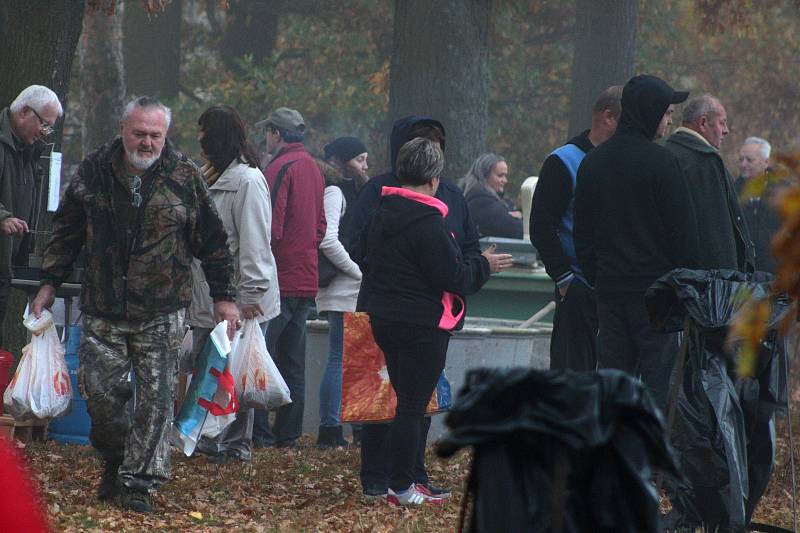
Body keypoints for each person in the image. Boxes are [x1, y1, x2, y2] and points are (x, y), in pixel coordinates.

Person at [30, 96, 239, 513]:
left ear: (166, 136)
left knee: (157, 401)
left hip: (162, 309)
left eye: (155, 136)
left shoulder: (184, 177)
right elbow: (67, 230)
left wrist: (225, 298)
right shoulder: (93, 170)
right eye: (139, 134)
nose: (146, 143)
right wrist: (48, 283)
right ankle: (115, 456)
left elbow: (213, 242)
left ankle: (140, 483)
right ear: (123, 130)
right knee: (101, 395)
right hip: (104, 306)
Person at [349, 115, 512, 501]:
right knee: (409, 403)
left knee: (406, 401)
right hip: (421, 318)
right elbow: (453, 274)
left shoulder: (384, 209)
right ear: (433, 177)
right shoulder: (427, 219)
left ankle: (402, 478)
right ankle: (399, 482)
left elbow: (371, 250)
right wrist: (482, 266)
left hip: (387, 311)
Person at [573, 75, 700, 411]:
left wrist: (598, 276)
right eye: (667, 111)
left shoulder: (593, 162)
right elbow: (684, 236)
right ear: (651, 112)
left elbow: (581, 233)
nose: (670, 119)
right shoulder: (664, 164)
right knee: (660, 392)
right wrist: (684, 287)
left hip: (611, 294)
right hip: (658, 298)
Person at [188, 105, 280, 463]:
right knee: (209, 368)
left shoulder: (248, 181)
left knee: (237, 373)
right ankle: (209, 437)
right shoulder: (211, 177)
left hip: (241, 296)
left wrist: (250, 296)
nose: (199, 142)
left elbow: (256, 242)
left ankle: (235, 443)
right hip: (208, 295)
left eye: (204, 134)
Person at [530, 85, 622, 371]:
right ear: (608, 118)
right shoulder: (563, 161)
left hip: (615, 291)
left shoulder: (622, 162)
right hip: (578, 288)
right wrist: (565, 278)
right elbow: (541, 225)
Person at [252, 107, 326, 449]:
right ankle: (289, 434)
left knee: (261, 356)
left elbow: (271, 227)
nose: (266, 138)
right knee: (294, 362)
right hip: (306, 278)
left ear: (276, 134)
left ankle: (259, 432)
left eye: (268, 132)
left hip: (279, 280)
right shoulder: (313, 167)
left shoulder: (279, 167)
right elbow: (321, 227)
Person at [315, 137, 367, 448]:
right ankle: (330, 428)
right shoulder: (335, 191)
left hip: (349, 288)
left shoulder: (349, 191)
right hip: (343, 287)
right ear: (343, 160)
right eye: (360, 159)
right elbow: (328, 241)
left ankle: (355, 425)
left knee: (352, 358)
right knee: (339, 357)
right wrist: (359, 272)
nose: (364, 166)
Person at [0, 85, 62, 339]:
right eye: (44, 125)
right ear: (25, 111)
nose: (44, 133)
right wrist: (2, 217)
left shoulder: (29, 151)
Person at [665, 94, 754, 271]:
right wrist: (728, 278)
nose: (726, 130)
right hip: (708, 282)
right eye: (722, 122)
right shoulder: (705, 162)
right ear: (703, 123)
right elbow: (717, 233)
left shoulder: (668, 153)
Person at [737, 137, 781, 273]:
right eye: (741, 159)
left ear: (766, 162)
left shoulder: (784, 193)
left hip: (777, 275)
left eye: (749, 160)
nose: (743, 164)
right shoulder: (732, 193)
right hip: (745, 275)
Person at [459, 153, 523, 238]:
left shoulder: (494, 199)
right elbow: (514, 229)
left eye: (505, 175)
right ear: (484, 176)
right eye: (500, 175)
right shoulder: (480, 201)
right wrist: (518, 217)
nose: (505, 180)